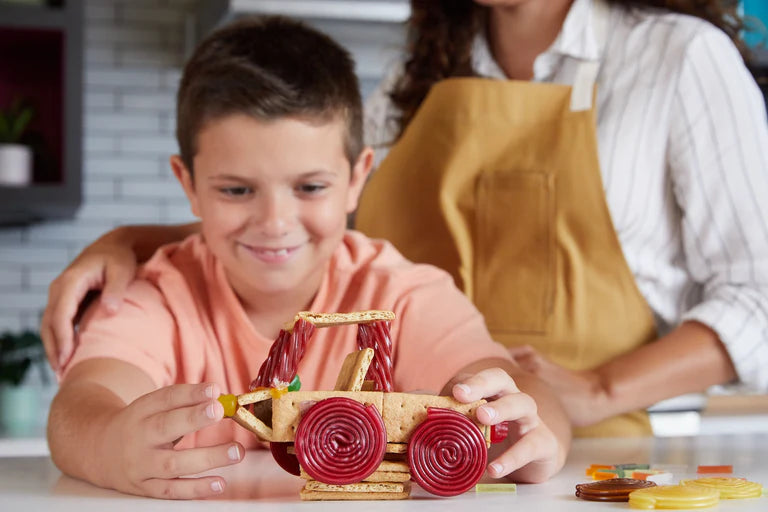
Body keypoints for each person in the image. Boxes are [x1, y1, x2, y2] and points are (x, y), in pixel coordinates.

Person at [43, 0, 768, 437]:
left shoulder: (680, 60)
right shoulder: (417, 78)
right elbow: (310, 224)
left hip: (594, 444)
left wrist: (598, 391)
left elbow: (757, 297)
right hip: (425, 449)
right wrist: (131, 242)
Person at [46, 16, 570, 500]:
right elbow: (83, 403)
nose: (275, 223)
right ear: (188, 184)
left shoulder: (402, 293)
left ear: (357, 179)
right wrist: (108, 444)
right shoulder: (158, 294)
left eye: (310, 186)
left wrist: (522, 431)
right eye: (235, 191)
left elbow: (516, 387)